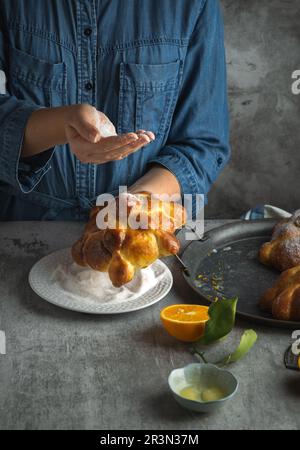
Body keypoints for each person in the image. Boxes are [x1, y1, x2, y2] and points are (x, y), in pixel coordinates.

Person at [0, 0, 230, 221]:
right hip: (28, 224)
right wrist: (60, 124)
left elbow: (204, 144)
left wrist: (136, 203)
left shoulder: (192, 5)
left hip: (141, 227)